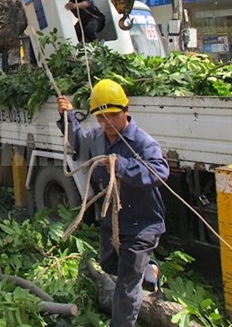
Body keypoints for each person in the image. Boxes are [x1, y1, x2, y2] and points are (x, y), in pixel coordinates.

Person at [56, 79, 168, 326]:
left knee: (126, 288)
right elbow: (77, 144)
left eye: (112, 116)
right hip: (114, 220)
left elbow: (160, 171)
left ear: (126, 111)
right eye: (101, 118)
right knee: (109, 263)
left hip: (142, 225)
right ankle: (149, 267)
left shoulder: (142, 142)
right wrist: (68, 116)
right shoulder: (97, 137)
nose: (107, 123)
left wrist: (123, 167)